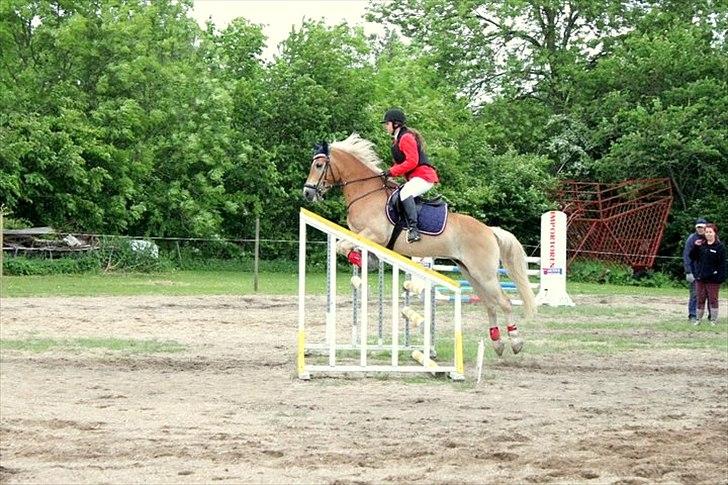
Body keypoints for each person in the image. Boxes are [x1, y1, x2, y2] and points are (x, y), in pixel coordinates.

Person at [380, 108, 439, 243]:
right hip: (417, 177)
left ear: (396, 124)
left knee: (405, 192)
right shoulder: (397, 140)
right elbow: (399, 164)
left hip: (424, 176)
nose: (385, 126)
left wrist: (392, 172)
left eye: (387, 123)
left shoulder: (406, 137)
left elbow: (412, 161)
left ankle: (413, 229)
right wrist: (387, 173)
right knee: (398, 192)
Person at [690, 223, 726, 325]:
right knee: (700, 299)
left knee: (713, 299)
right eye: (707, 232)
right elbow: (692, 257)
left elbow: (722, 265)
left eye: (710, 232)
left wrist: (719, 277)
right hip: (700, 278)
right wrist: (695, 247)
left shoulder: (720, 247)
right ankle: (698, 320)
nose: (708, 234)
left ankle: (713, 320)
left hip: (713, 279)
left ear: (715, 233)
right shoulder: (701, 245)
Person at [683, 218, 707, 323]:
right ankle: (692, 315)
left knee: (709, 295)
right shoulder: (691, 239)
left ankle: (711, 316)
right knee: (694, 294)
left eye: (702, 227)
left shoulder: (710, 237)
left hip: (708, 272)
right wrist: (688, 271)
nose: (700, 229)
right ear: (696, 228)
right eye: (698, 227)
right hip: (695, 271)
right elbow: (687, 256)